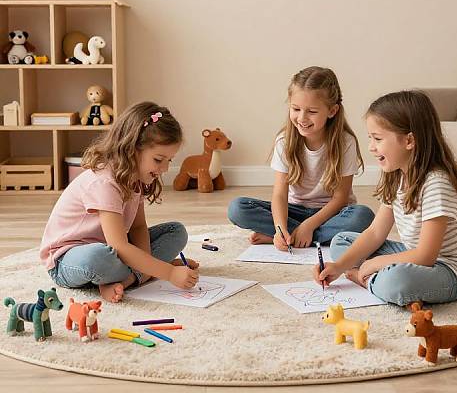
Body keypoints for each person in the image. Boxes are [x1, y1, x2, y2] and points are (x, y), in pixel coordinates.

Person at [315, 90, 457, 306]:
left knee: (396, 282)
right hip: (417, 256)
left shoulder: (437, 184)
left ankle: (366, 279)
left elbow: (426, 256)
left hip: (453, 271)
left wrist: (374, 264)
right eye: (371, 138)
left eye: (377, 139)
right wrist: (338, 267)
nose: (371, 147)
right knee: (342, 242)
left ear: (409, 141)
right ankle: (373, 275)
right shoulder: (397, 175)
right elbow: (376, 232)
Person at [40, 101, 199, 303]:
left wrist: (150, 264)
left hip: (111, 247)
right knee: (98, 258)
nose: (165, 168)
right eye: (159, 160)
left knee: (176, 232)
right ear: (132, 149)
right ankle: (139, 274)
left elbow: (138, 227)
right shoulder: (105, 182)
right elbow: (119, 246)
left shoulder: (136, 178)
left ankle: (128, 277)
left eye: (170, 160)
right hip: (68, 260)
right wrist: (168, 272)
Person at [228, 66, 374, 249]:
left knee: (362, 216)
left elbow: (341, 198)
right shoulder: (284, 141)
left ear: (332, 111)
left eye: (312, 111)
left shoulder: (346, 142)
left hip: (332, 214)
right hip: (294, 211)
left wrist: (308, 226)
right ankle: (296, 236)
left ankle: (296, 235)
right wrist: (280, 228)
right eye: (296, 109)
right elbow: (280, 194)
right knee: (238, 208)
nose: (302, 118)